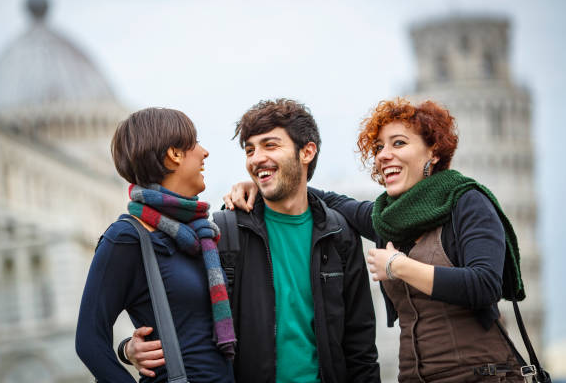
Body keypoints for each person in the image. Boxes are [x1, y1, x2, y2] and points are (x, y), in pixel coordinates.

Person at [225, 98, 527, 382]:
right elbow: (317, 196)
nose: (384, 154)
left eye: (399, 143)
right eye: (379, 147)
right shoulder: (386, 218)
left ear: (434, 151)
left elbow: (485, 284)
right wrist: (262, 179)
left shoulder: (467, 202)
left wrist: (399, 266)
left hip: (482, 374)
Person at [119, 99, 381, 382]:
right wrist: (127, 349)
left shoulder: (339, 234)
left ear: (306, 152)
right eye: (250, 149)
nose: (256, 158)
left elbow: (360, 347)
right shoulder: (222, 231)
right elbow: (183, 317)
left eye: (270, 145)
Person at [75, 107, 236, 383]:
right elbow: (89, 340)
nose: (204, 152)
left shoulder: (202, 235)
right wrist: (126, 353)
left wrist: (127, 348)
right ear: (174, 154)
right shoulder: (126, 238)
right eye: (195, 142)